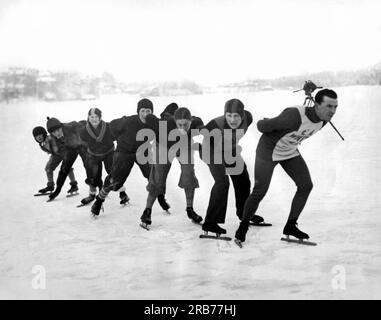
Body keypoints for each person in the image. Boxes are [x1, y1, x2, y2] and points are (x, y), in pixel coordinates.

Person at [235, 89, 338, 244]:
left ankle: (290, 225)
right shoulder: (293, 116)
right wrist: (269, 121)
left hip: (289, 151)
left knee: (305, 185)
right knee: (259, 191)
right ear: (317, 105)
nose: (332, 111)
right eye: (329, 106)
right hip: (268, 151)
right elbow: (261, 127)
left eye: (335, 107)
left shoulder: (324, 120)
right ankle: (242, 228)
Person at [90, 98, 169, 216]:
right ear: (138, 111)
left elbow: (164, 134)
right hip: (124, 152)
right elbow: (112, 127)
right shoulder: (128, 121)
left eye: (148, 111)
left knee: (155, 175)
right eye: (142, 111)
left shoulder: (153, 122)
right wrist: (117, 139)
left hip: (143, 151)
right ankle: (99, 200)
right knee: (114, 181)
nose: (145, 114)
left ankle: (161, 198)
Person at [140, 104, 204, 229]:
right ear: (174, 121)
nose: (182, 127)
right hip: (163, 146)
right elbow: (150, 119)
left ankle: (190, 209)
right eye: (179, 124)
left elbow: (201, 124)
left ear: (191, 121)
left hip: (183, 146)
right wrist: (147, 115)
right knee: (158, 178)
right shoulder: (164, 124)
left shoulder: (195, 123)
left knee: (189, 174)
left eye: (186, 124)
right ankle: (147, 211)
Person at [200, 98, 256, 236]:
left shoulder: (248, 118)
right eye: (229, 115)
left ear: (242, 115)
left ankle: (244, 213)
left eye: (236, 116)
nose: (232, 120)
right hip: (211, 152)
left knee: (243, 179)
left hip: (230, 151)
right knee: (222, 182)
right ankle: (210, 222)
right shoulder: (215, 124)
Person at [79, 107, 128, 206]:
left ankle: (123, 193)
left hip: (109, 153)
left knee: (114, 173)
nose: (94, 119)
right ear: (88, 117)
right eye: (91, 117)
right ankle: (92, 195)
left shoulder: (108, 127)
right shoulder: (84, 130)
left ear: (100, 117)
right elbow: (83, 141)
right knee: (92, 176)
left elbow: (116, 135)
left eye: (96, 116)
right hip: (93, 155)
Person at [46, 117, 90, 200]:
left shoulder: (72, 127)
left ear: (61, 127)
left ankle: (95, 186)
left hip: (82, 146)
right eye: (54, 132)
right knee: (64, 168)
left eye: (58, 130)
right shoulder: (54, 138)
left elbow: (82, 124)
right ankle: (57, 190)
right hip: (71, 148)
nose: (57, 133)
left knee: (88, 164)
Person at [32, 126, 77, 194]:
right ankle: (50, 186)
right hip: (56, 155)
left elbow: (60, 136)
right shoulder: (42, 144)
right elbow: (49, 150)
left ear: (44, 134)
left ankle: (74, 185)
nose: (38, 137)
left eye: (40, 135)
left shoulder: (51, 137)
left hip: (65, 153)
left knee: (67, 168)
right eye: (36, 136)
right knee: (48, 168)